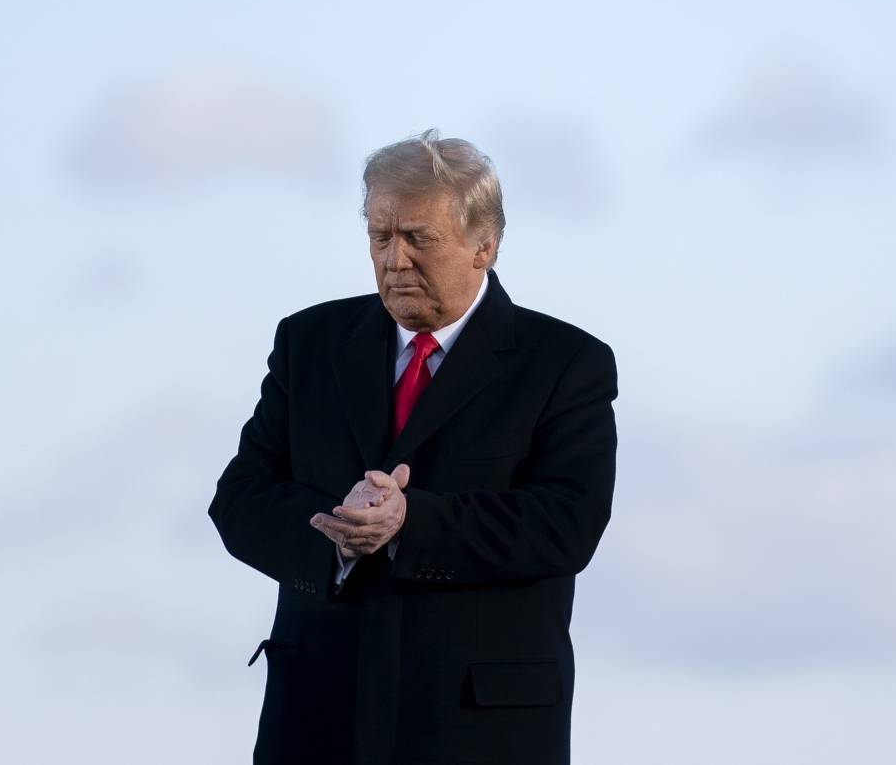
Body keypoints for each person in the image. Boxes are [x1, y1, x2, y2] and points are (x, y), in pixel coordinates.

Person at [208, 129, 618, 765]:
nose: (394, 260)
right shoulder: (308, 343)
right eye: (380, 236)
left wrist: (409, 522)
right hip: (315, 720)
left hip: (482, 730)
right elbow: (239, 500)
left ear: (485, 244)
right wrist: (337, 536)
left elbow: (568, 522)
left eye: (417, 239)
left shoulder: (566, 364)